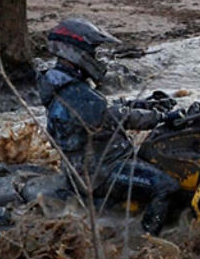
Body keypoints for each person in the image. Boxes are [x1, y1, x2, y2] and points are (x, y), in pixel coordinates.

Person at [37, 17, 180, 208]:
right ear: (75, 52)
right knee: (167, 187)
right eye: (93, 52)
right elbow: (118, 118)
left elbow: (105, 109)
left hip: (93, 165)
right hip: (100, 173)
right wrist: (161, 117)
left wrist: (143, 103)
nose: (96, 58)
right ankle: (147, 237)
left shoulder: (64, 85)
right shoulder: (73, 93)